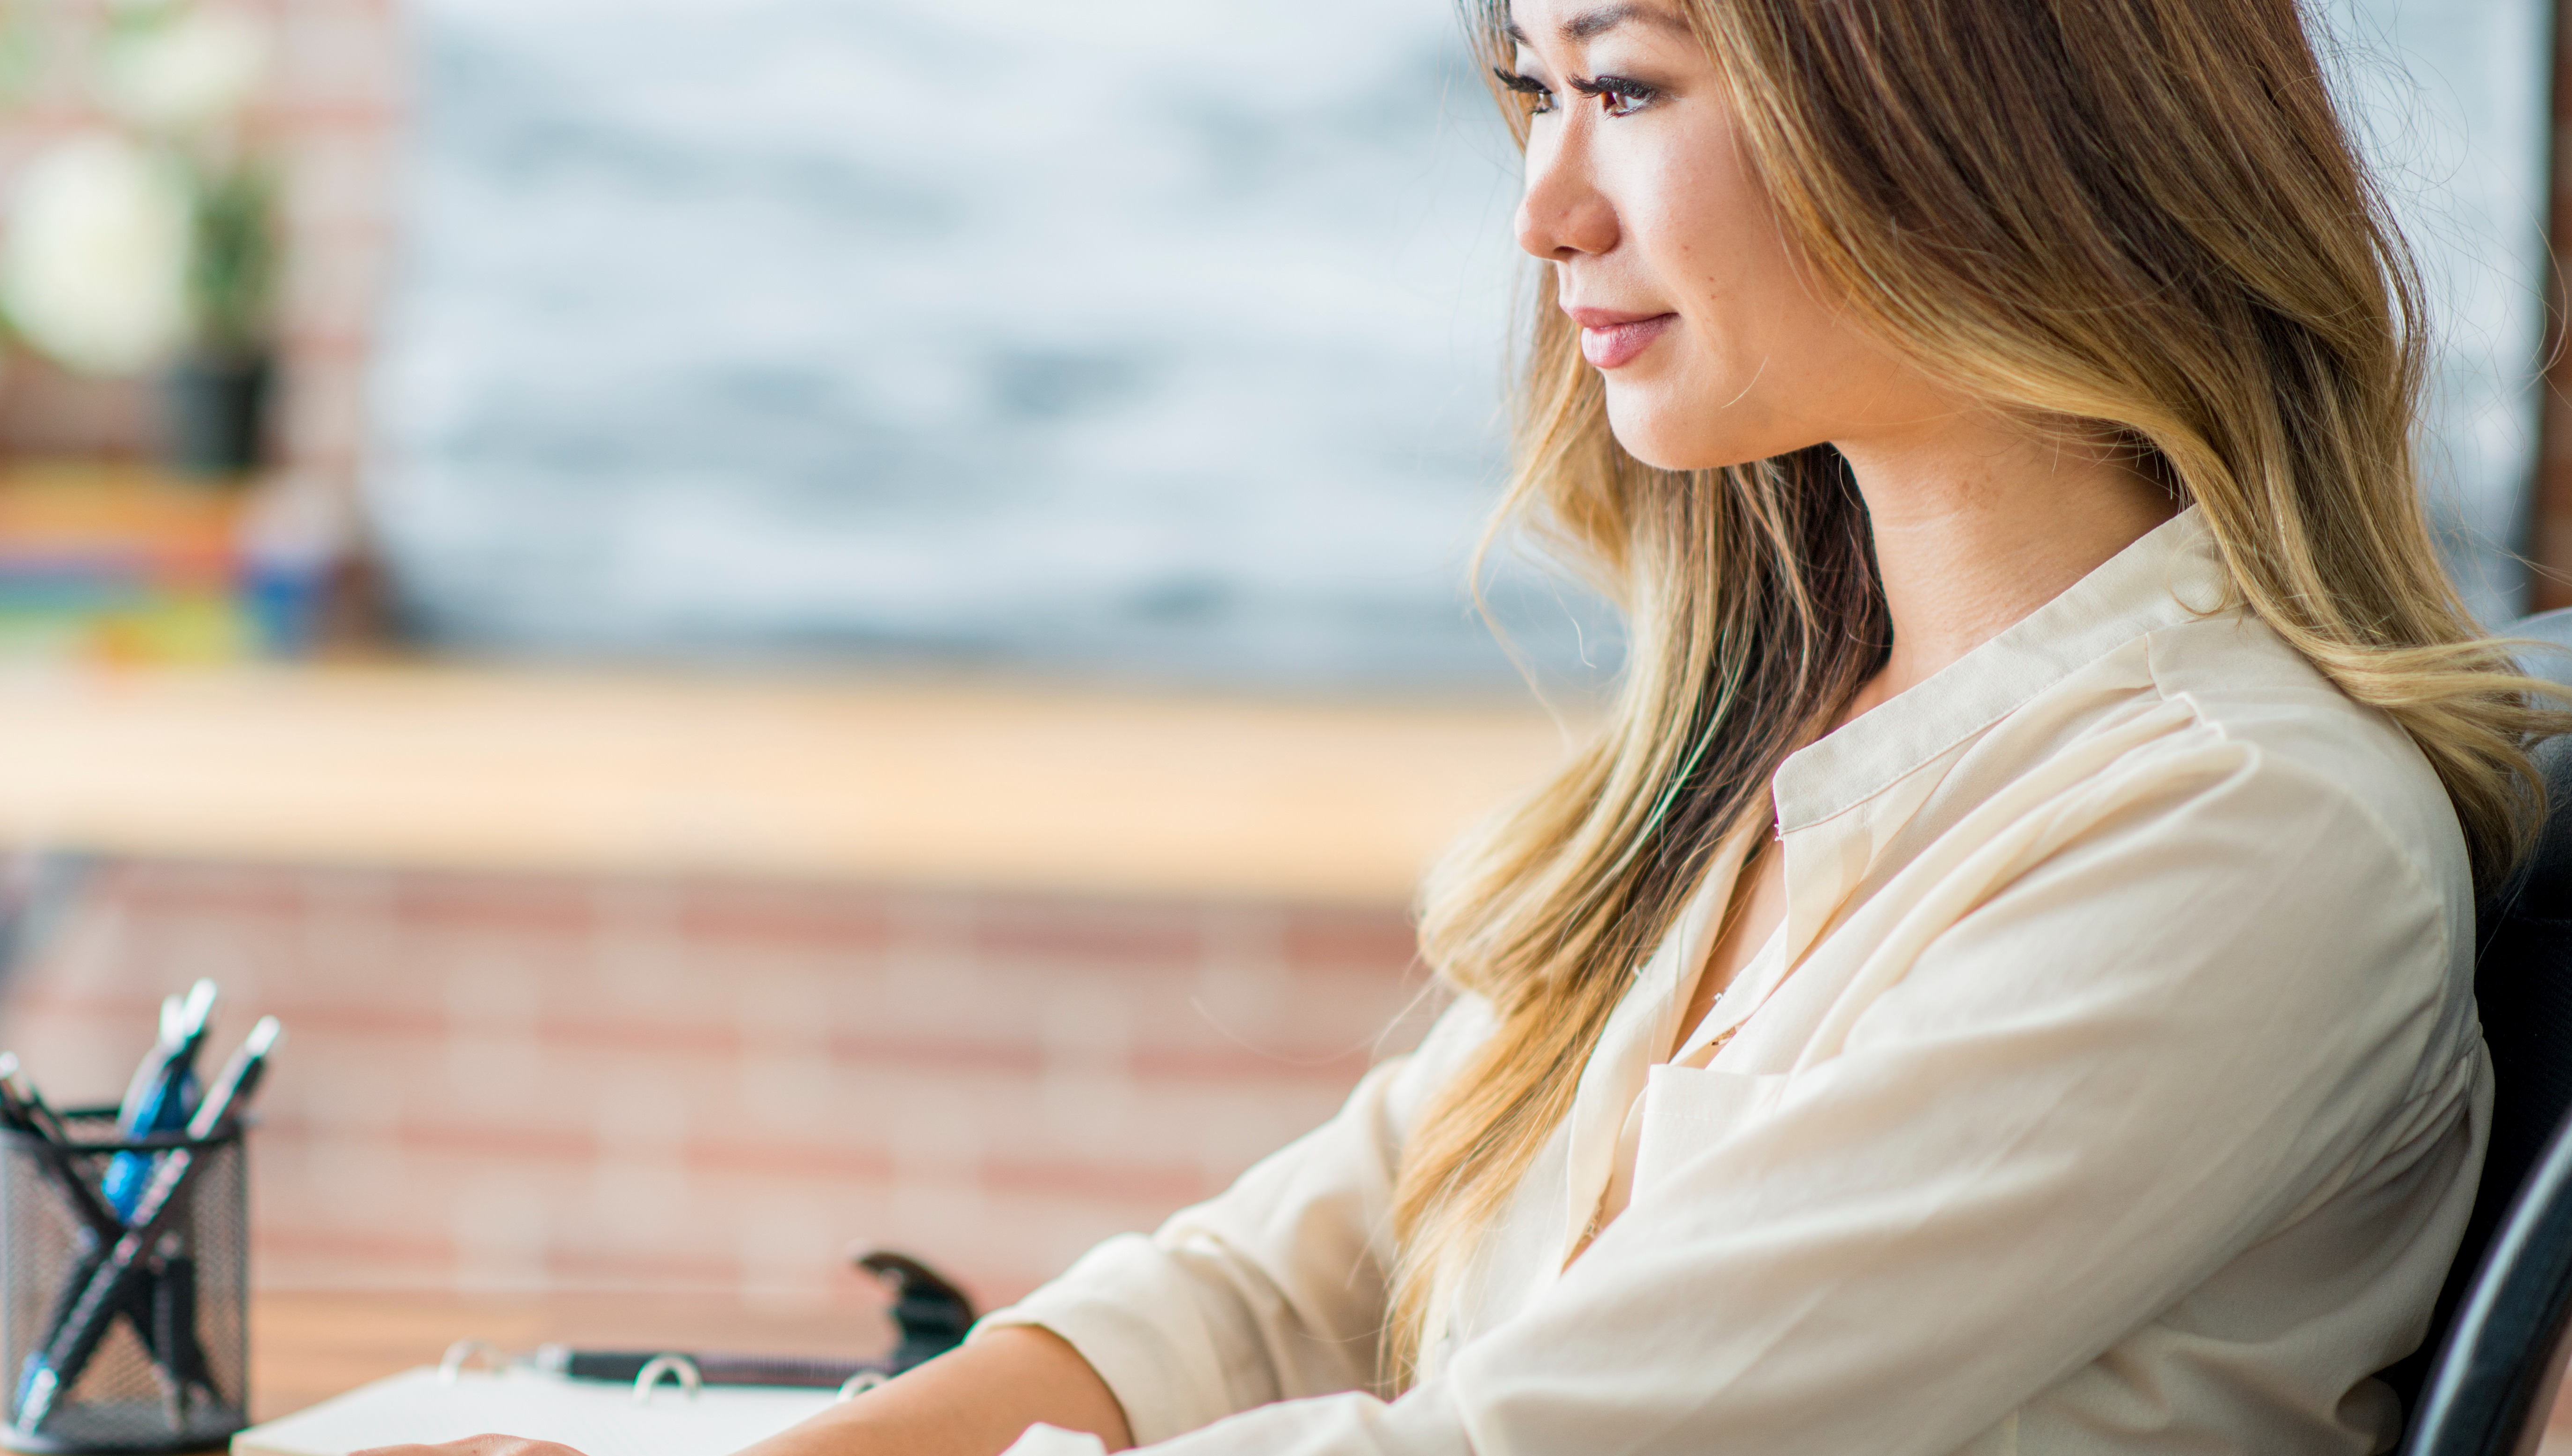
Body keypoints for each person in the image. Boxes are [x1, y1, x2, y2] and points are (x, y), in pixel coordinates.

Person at [372, 0, 2559, 1451]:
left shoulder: (2234, 836)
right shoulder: (1794, 740)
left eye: (1620, 85)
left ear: (1960, 110)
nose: (1542, 206)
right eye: (1528, 88)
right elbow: (1296, 1269)